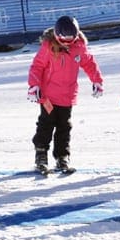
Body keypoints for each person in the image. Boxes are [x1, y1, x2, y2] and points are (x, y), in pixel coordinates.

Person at [27, 15, 104, 174]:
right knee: (46, 125)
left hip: (67, 96)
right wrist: (34, 85)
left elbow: (89, 63)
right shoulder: (48, 47)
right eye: (64, 40)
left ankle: (62, 157)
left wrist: (96, 80)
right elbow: (37, 66)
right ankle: (41, 155)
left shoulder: (79, 47)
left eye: (70, 40)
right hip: (48, 96)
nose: (67, 44)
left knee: (64, 127)